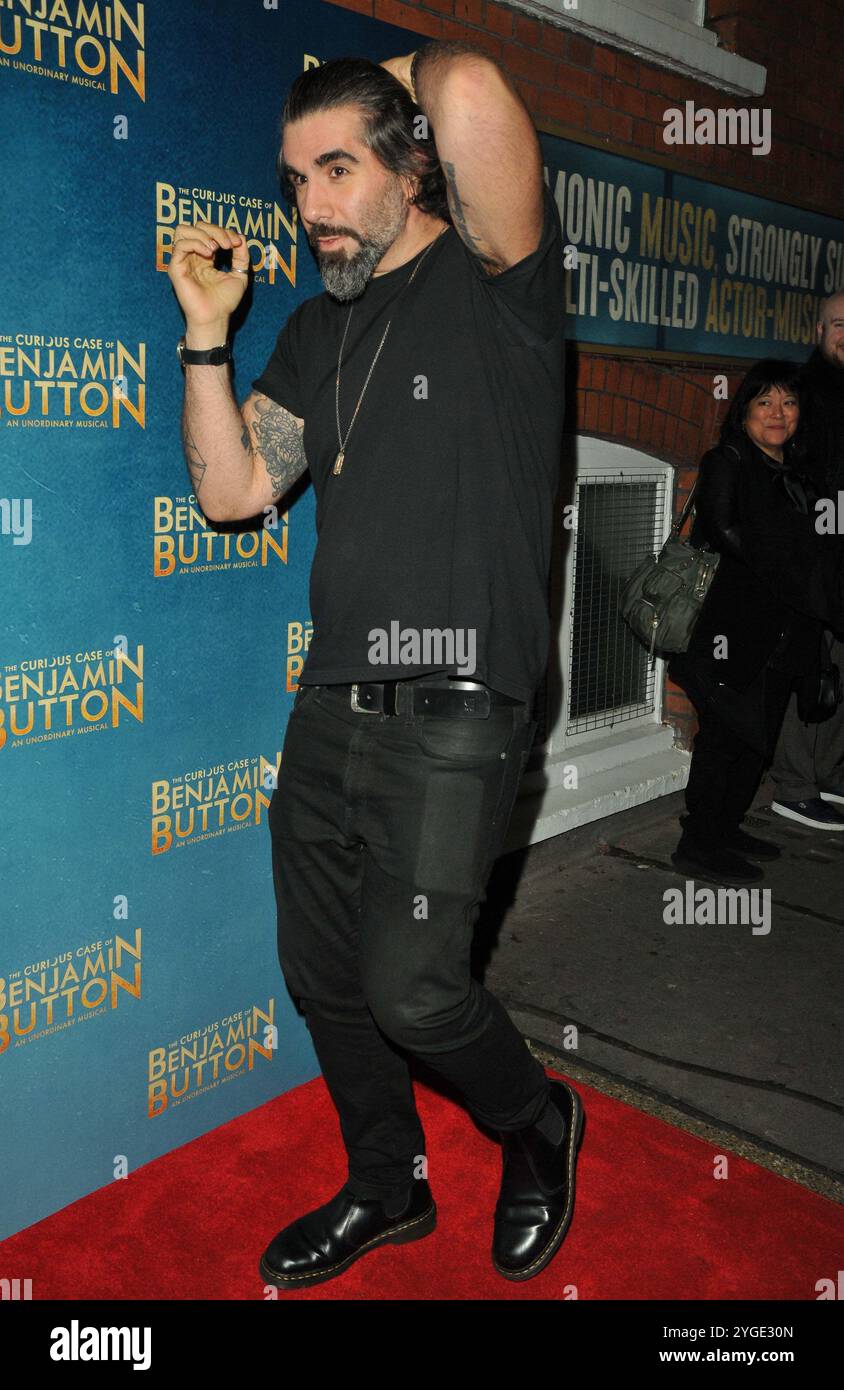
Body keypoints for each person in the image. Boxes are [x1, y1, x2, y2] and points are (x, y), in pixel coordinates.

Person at [166, 44, 582, 1289]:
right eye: (296, 181)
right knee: (326, 976)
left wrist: (385, 64)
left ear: (411, 162)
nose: (312, 209)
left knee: (413, 993)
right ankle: (384, 1184)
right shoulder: (311, 329)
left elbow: (467, 94)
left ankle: (539, 1120)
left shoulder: (498, 281)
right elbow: (234, 491)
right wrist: (203, 339)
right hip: (333, 703)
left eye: (338, 168)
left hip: (461, 706)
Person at [669, 359, 844, 885]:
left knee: (758, 738)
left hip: (787, 632)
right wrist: (792, 581)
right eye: (764, 401)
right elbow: (724, 531)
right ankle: (697, 844)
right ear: (744, 410)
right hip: (734, 629)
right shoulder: (728, 461)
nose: (777, 413)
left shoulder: (798, 471)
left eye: (788, 403)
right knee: (724, 736)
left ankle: (725, 827)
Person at [769, 292, 844, 830]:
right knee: (808, 667)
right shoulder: (802, 392)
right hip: (815, 555)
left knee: (841, 668)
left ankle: (831, 774)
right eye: (839, 323)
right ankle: (794, 785)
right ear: (817, 329)